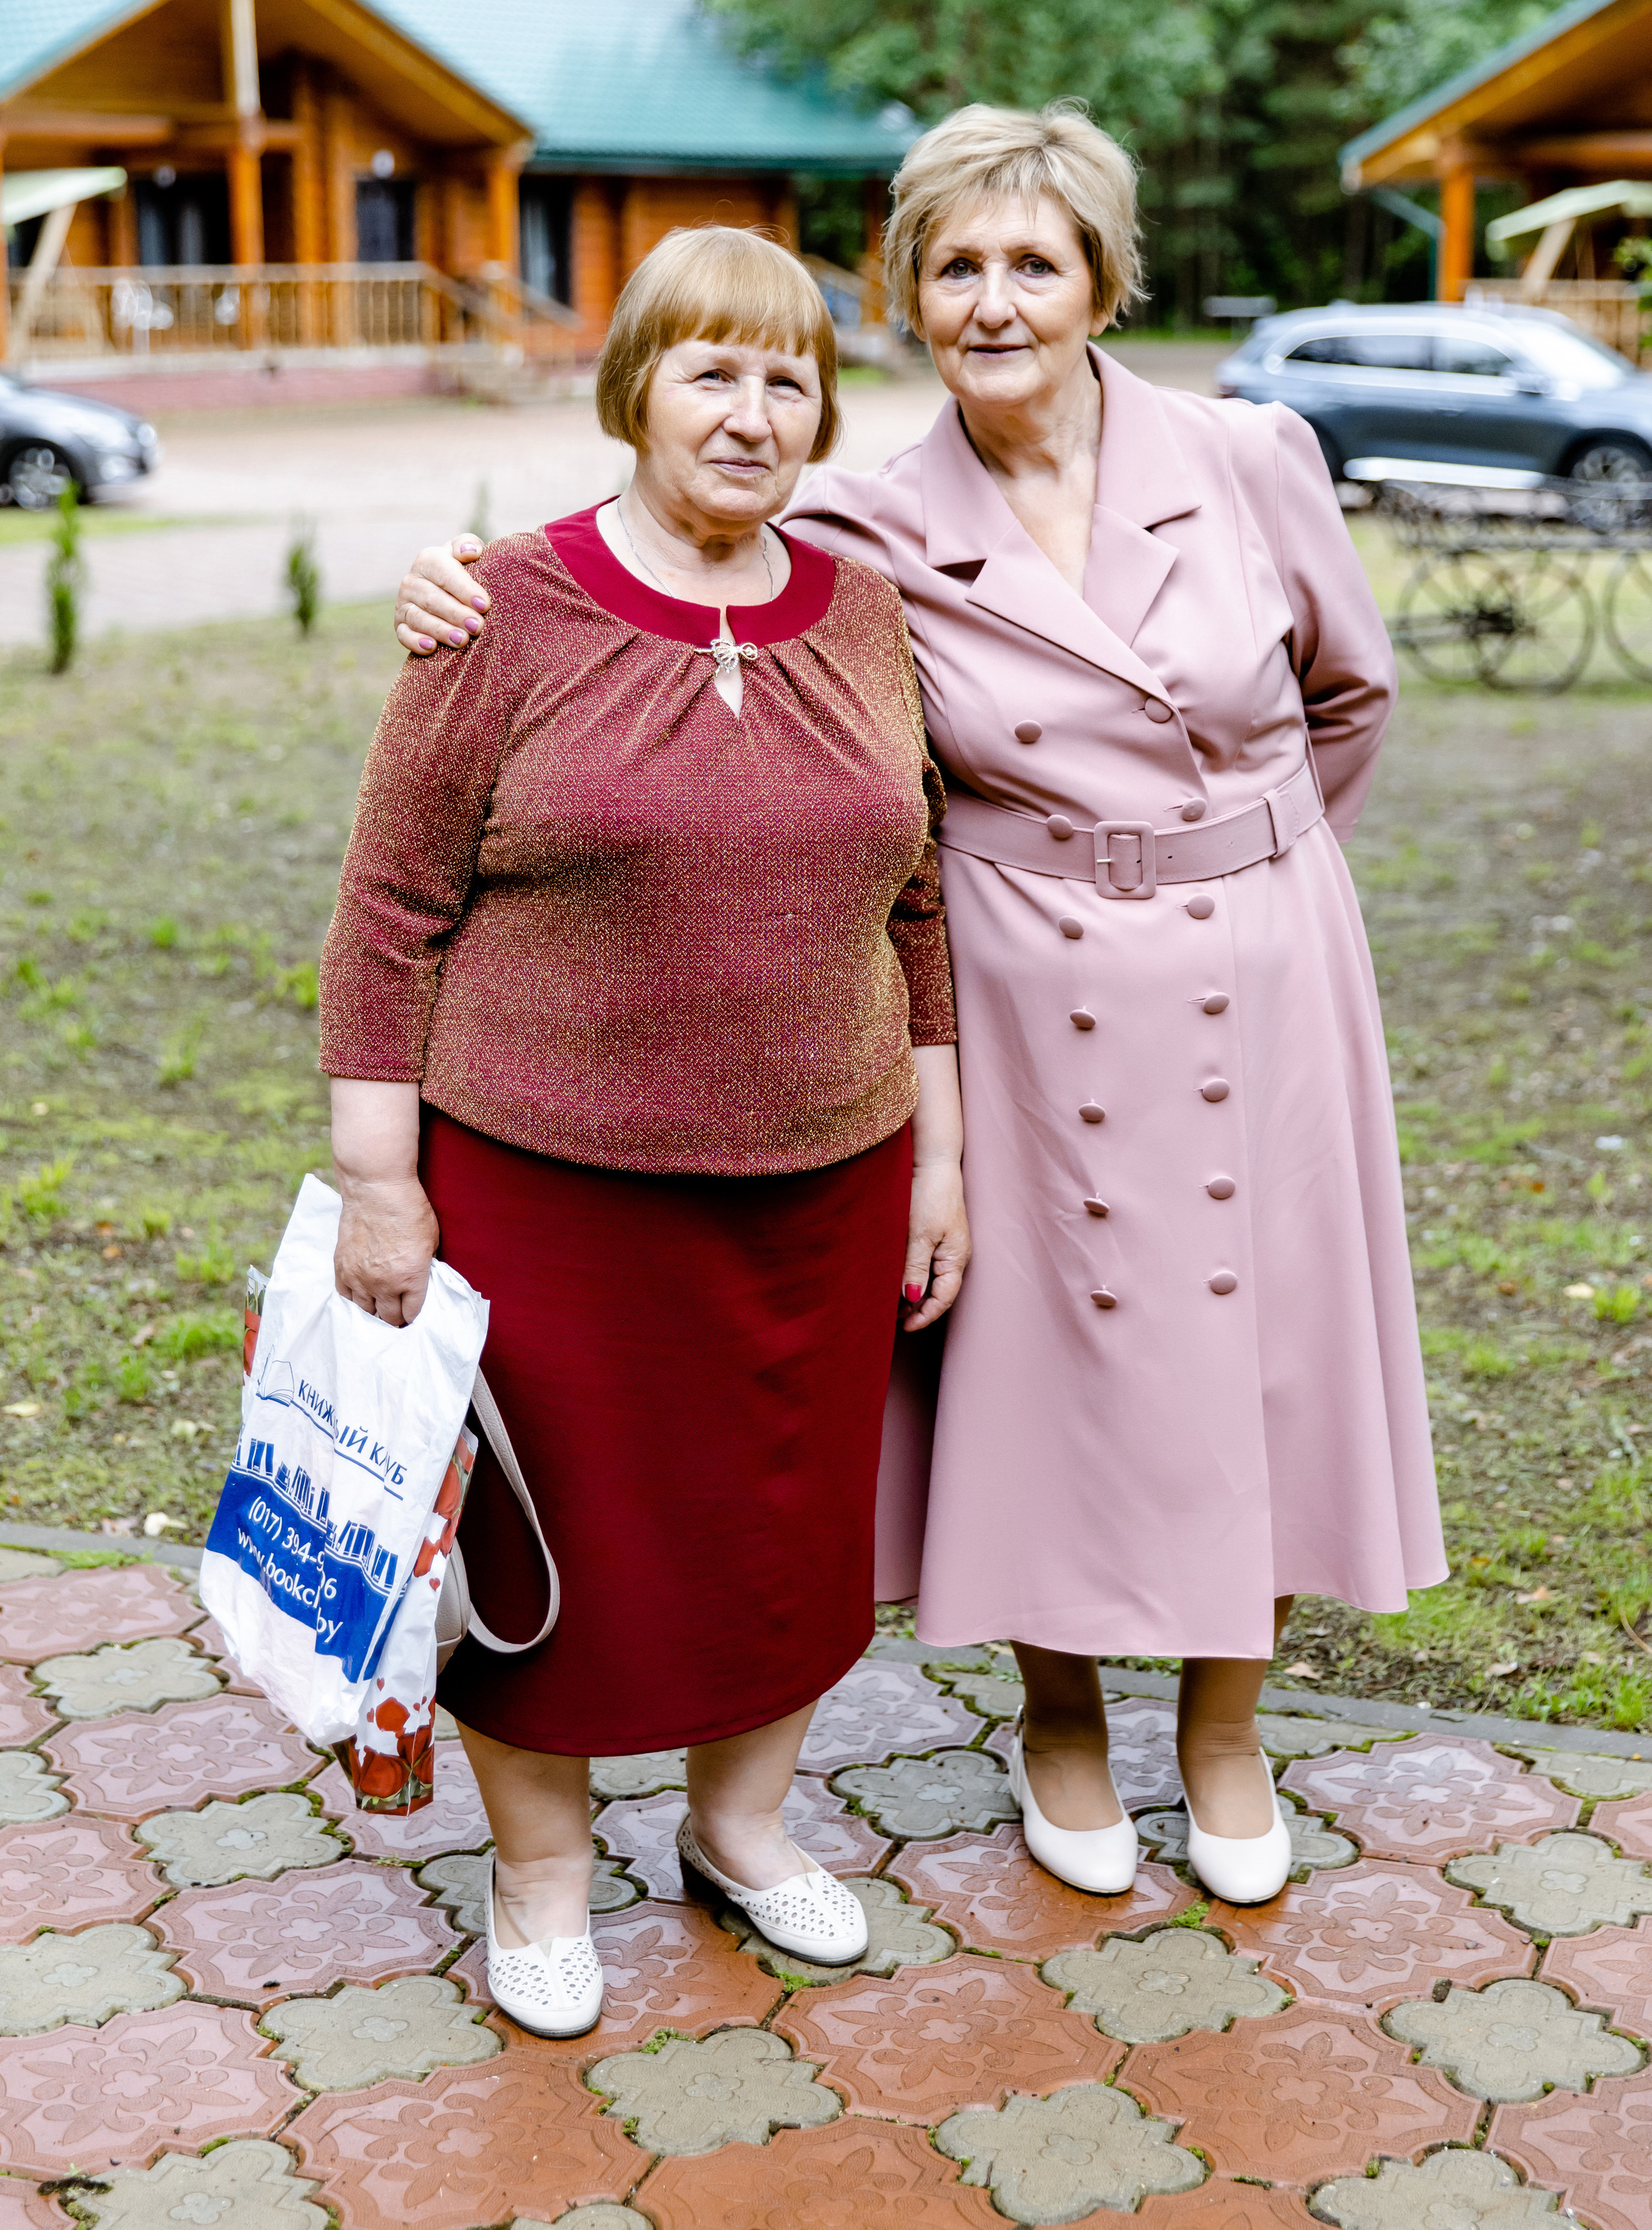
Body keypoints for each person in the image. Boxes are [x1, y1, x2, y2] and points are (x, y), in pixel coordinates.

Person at [392, 103, 1446, 1910]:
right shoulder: (870, 522)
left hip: (1262, 968)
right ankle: (1053, 1715)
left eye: (1035, 261)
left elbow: (1351, 693)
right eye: (955, 265)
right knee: (1044, 1360)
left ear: (1105, 280)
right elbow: (664, 557)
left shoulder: (1253, 454)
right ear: (910, 296)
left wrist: (1254, 874)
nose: (995, 299)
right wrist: (452, 578)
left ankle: (1224, 1728)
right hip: (1024, 984)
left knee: (1260, 1347)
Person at [321, 225, 968, 2038]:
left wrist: (946, 1152)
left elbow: (916, 907)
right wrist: (385, 1187)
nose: (751, 412)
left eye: (787, 378)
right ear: (636, 389)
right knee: (557, 1548)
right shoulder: (501, 610)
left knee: (781, 1530)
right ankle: (538, 1875)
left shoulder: (861, 608)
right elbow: (389, 912)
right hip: (547, 1189)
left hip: (823, 1187)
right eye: (712, 370)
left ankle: (741, 1831)